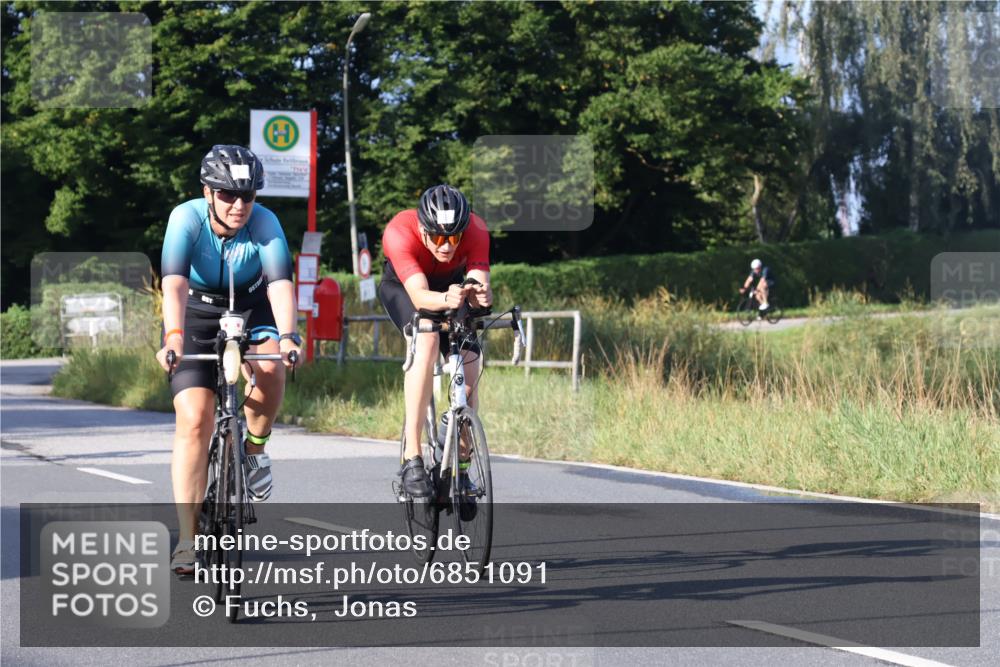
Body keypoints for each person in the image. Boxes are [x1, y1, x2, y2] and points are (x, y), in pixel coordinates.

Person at [156, 145, 301, 574]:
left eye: (248, 196)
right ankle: (187, 539)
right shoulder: (185, 219)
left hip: (252, 307)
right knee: (195, 418)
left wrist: (290, 336)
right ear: (208, 192)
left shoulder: (266, 222)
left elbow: (279, 284)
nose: (239, 206)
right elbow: (175, 283)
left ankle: (255, 448)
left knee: (272, 368)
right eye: (227, 196)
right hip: (197, 313)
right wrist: (175, 336)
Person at [378, 184, 492, 497]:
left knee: (470, 369)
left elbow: (482, 288)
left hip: (452, 289)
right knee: (426, 333)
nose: (446, 246)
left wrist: (481, 295)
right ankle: (411, 455)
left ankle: (463, 466)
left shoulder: (477, 230)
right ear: (423, 229)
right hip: (406, 288)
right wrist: (445, 297)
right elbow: (418, 295)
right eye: (439, 237)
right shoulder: (399, 232)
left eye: (454, 237)